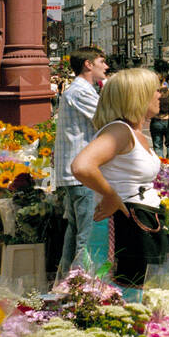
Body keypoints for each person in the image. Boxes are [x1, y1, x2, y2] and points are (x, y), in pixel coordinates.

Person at [70, 68, 166, 289]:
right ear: (138, 95)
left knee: (134, 291)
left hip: (137, 223)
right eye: (156, 90)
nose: (160, 95)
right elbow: (82, 166)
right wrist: (111, 196)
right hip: (123, 227)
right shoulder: (119, 131)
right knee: (120, 292)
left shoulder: (131, 132)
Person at [53, 46, 109, 278]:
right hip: (83, 174)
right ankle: (81, 287)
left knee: (74, 232)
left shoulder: (79, 90)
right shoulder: (81, 91)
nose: (105, 66)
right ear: (88, 64)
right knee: (87, 237)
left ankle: (64, 283)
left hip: (74, 173)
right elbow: (107, 119)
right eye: (101, 61)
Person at [149, 80, 169, 164]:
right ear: (164, 81)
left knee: (158, 147)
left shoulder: (152, 93)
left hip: (156, 121)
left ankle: (161, 169)